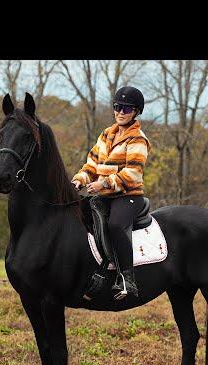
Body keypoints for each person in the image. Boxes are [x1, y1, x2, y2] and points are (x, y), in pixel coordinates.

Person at [71, 86, 151, 300]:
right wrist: (79, 180)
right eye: (117, 107)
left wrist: (103, 184)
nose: (121, 112)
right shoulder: (106, 134)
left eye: (126, 108)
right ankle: (91, 271)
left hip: (128, 196)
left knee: (115, 224)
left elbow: (133, 174)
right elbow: (91, 165)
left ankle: (127, 279)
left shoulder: (138, 140)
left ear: (136, 112)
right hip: (104, 196)